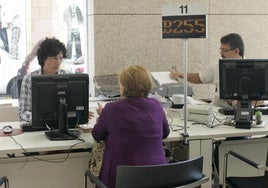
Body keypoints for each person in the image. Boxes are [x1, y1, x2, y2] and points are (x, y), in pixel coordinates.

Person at [92, 64, 170, 188]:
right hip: (156, 179)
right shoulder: (156, 106)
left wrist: (102, 117)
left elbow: (97, 134)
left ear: (123, 87)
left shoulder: (111, 109)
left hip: (119, 181)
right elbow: (165, 133)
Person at [19, 37, 69, 122]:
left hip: (64, 124)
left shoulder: (69, 77)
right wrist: (43, 119)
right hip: (39, 125)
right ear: (44, 58)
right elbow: (23, 113)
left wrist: (80, 113)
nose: (58, 62)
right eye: (54, 58)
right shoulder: (29, 79)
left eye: (61, 58)